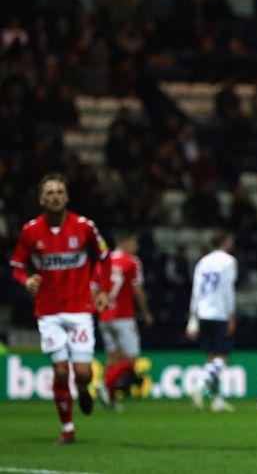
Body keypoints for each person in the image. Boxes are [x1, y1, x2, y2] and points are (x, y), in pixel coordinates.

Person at [9, 173, 112, 445]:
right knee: (60, 371)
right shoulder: (30, 231)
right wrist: (26, 280)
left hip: (79, 308)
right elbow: (17, 265)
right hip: (49, 311)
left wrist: (100, 289)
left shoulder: (85, 227)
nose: (55, 196)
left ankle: (84, 389)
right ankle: (67, 428)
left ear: (66, 197)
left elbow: (104, 257)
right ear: (42, 199)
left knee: (82, 372)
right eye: (50, 192)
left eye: (59, 192)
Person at [95, 232, 154, 410]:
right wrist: (146, 312)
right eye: (133, 243)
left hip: (104, 316)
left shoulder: (103, 261)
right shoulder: (132, 262)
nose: (135, 247)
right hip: (123, 316)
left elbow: (95, 289)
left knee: (113, 358)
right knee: (131, 359)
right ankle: (105, 385)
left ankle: (110, 401)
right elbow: (137, 290)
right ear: (123, 242)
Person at [186, 232, 239, 412]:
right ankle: (200, 385)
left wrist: (192, 317)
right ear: (224, 242)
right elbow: (227, 289)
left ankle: (216, 399)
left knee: (211, 358)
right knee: (223, 358)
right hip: (219, 313)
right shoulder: (229, 261)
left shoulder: (203, 261)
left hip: (202, 313)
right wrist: (232, 314)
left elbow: (196, 290)